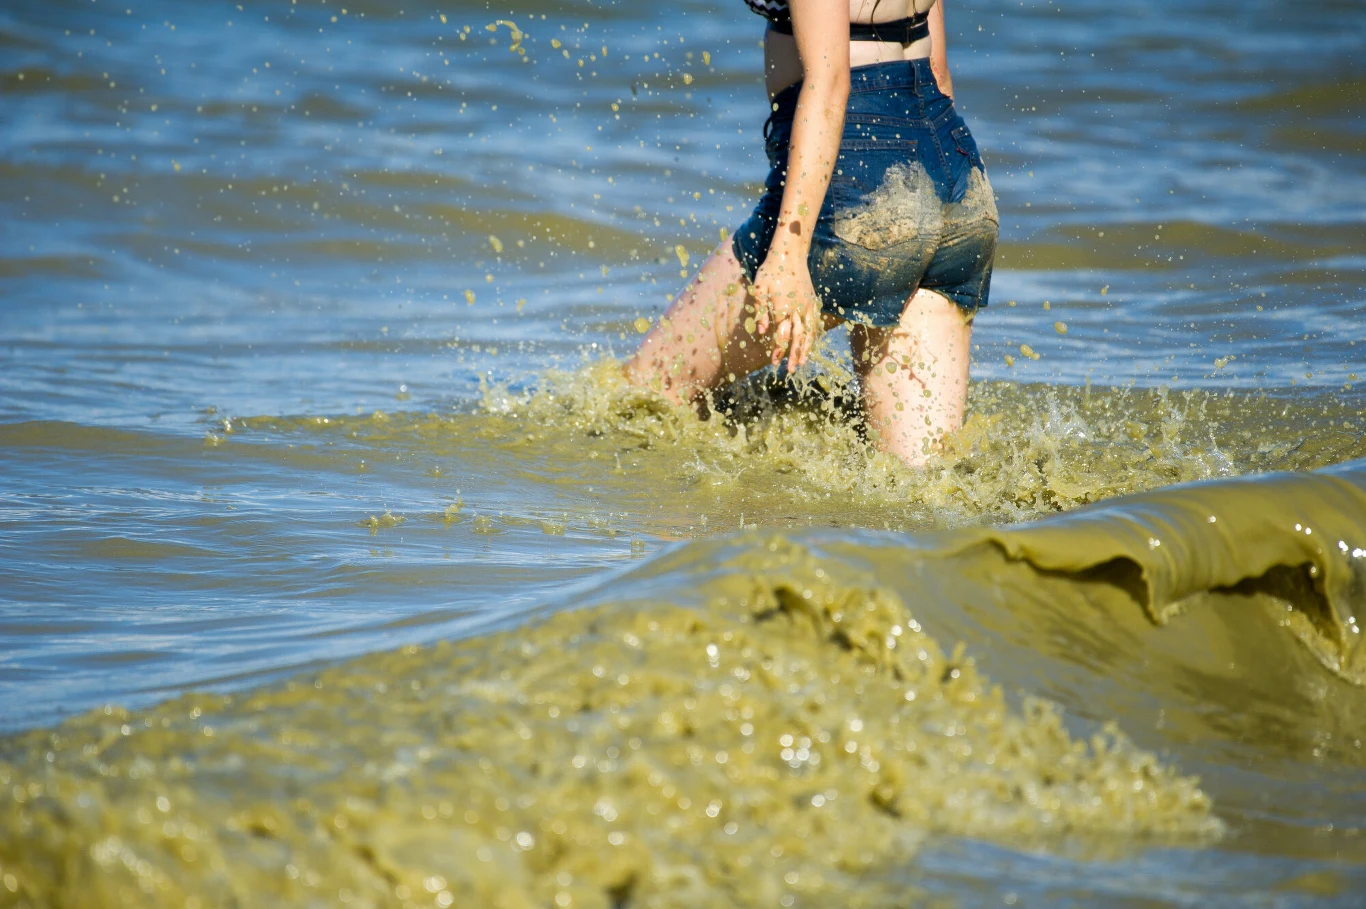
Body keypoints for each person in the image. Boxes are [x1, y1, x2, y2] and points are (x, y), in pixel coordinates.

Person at [623, 0, 998, 466]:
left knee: (646, 395)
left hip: (855, 177)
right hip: (955, 181)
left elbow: (829, 85)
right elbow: (937, 72)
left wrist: (788, 251)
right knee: (919, 480)